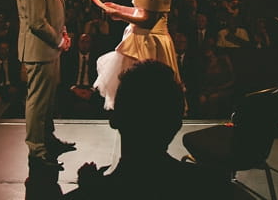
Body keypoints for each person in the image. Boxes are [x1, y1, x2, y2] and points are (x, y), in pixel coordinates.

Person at [63, 60, 234, 199]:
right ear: (176, 124)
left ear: (114, 120)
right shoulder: (213, 188)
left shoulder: (89, 194)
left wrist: (91, 190)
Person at [16, 0, 75, 171]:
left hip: (49, 49)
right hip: (40, 50)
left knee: (48, 102)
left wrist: (62, 33)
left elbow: (50, 12)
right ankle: (37, 150)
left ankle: (48, 140)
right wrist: (59, 41)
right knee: (38, 102)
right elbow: (36, 21)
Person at [59, 33, 103, 118]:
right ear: (78, 43)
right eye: (82, 41)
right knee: (63, 93)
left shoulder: (97, 58)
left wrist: (91, 90)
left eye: (87, 42)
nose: (84, 45)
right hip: (74, 87)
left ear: (91, 44)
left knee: (99, 97)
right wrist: (75, 89)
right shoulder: (69, 57)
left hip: (91, 87)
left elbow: (100, 77)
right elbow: (65, 76)